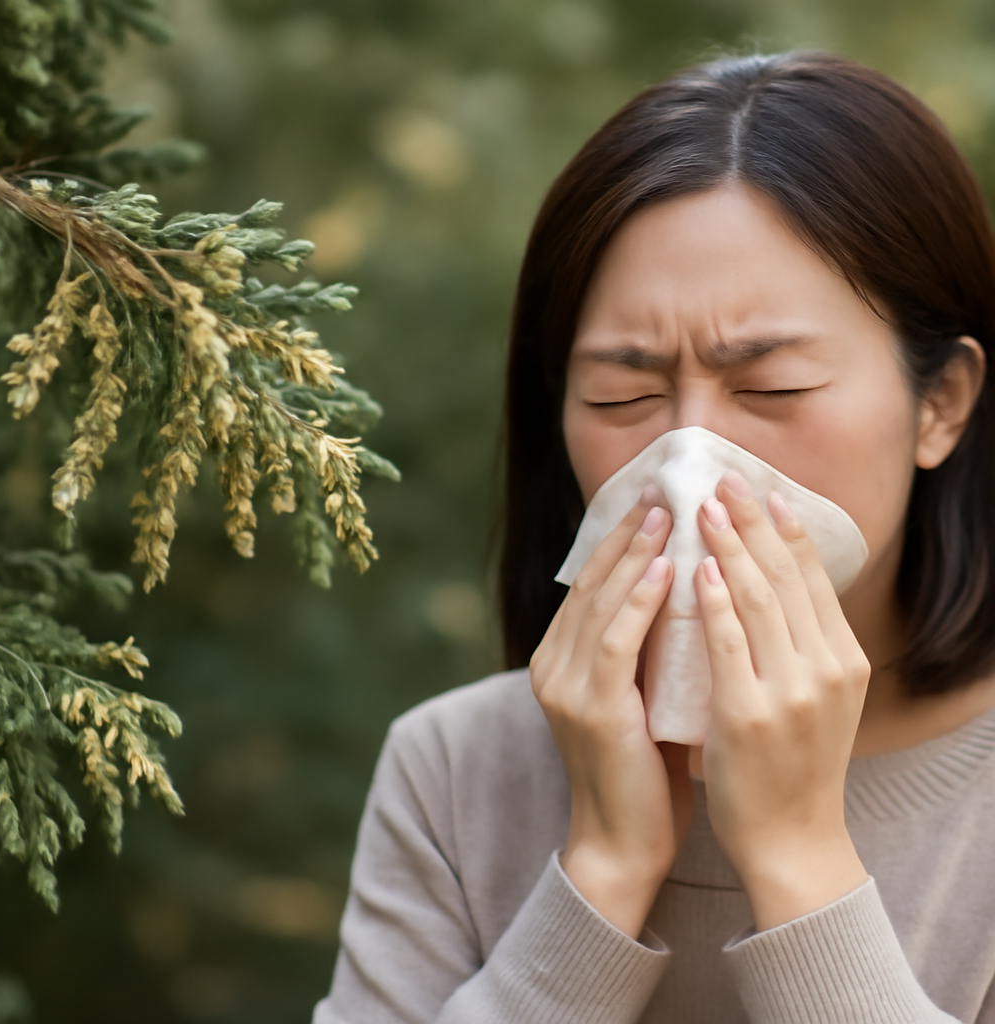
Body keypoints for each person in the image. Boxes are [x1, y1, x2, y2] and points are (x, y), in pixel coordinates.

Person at [313, 51, 995, 1023]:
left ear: (941, 403)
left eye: (771, 389)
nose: (689, 460)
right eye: (621, 396)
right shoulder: (460, 770)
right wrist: (600, 871)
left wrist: (799, 858)